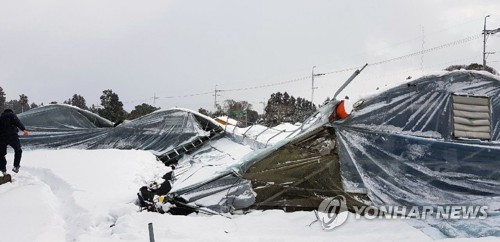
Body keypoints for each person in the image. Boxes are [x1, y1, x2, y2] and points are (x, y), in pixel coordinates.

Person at [0, 109, 28, 175]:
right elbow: (18, 122)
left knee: (1, 154)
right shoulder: (11, 115)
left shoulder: (1, 117)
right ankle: (16, 166)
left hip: (1, 138)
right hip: (12, 136)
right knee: (18, 150)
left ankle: (3, 169)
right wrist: (24, 129)